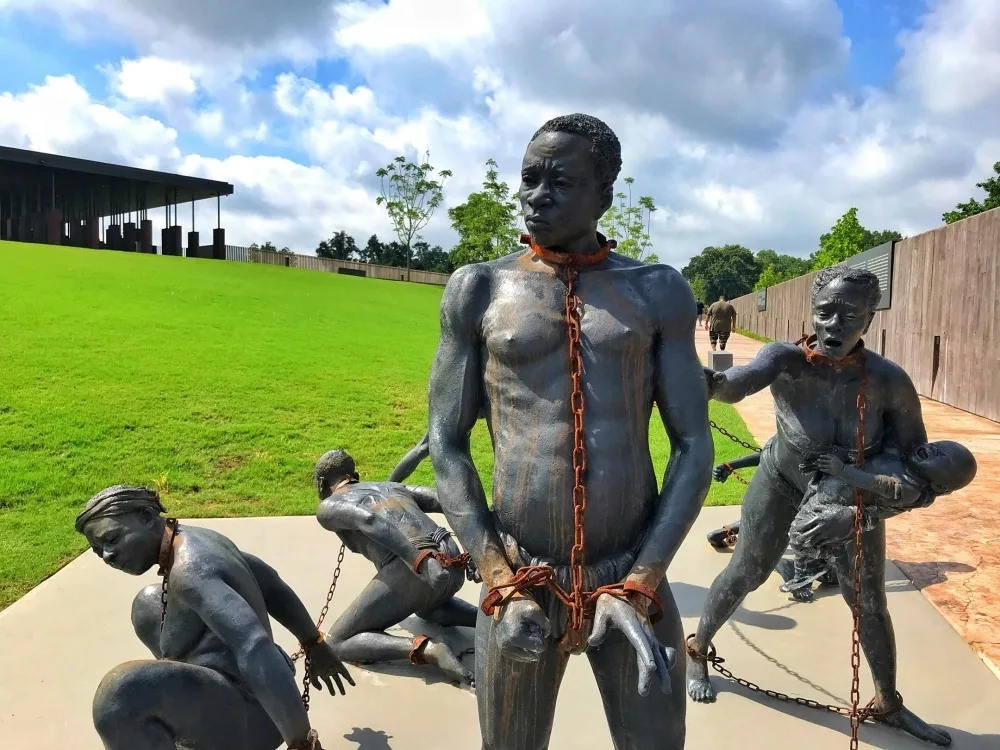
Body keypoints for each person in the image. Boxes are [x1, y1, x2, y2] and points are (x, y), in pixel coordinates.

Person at [427, 113, 713, 749]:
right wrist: (497, 573)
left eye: (560, 181)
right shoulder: (478, 289)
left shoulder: (658, 291)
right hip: (521, 579)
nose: (537, 195)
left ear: (604, 195)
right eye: (529, 178)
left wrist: (643, 580)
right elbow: (446, 442)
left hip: (631, 576)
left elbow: (693, 444)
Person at [686, 266, 953, 746]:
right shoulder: (786, 361)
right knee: (747, 572)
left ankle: (888, 700)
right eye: (824, 312)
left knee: (870, 602)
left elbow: (919, 476)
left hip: (849, 496)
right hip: (781, 481)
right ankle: (698, 647)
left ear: (869, 320)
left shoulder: (890, 382)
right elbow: (736, 384)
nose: (833, 325)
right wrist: (700, 380)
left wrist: (862, 513)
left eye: (849, 315)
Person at [76, 485, 353, 750]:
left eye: (112, 539)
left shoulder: (190, 571)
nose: (108, 556)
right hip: (235, 700)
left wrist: (301, 743)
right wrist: (313, 642)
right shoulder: (197, 539)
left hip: (252, 725)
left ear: (147, 517)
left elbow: (255, 647)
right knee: (146, 604)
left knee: (119, 695)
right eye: (98, 551)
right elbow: (268, 582)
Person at [313, 449, 478, 686]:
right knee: (426, 609)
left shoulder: (329, 506)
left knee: (337, 642)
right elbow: (444, 500)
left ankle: (428, 650)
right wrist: (471, 549)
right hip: (451, 560)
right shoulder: (392, 487)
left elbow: (368, 520)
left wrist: (419, 562)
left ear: (321, 484)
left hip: (419, 569)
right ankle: (485, 620)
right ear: (355, 475)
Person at [778, 442, 976, 591]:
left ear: (939, 486)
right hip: (835, 491)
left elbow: (874, 483)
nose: (931, 450)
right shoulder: (902, 460)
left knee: (802, 532)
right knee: (813, 530)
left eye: (940, 456)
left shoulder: (909, 489)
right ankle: (822, 569)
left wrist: (841, 469)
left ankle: (802, 579)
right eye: (935, 445)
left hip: (847, 510)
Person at [706, 453, 838, 602]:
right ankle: (787, 567)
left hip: (793, 500)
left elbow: (772, 452)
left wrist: (730, 465)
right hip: (809, 504)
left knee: (779, 517)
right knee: (834, 573)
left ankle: (730, 530)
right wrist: (730, 466)